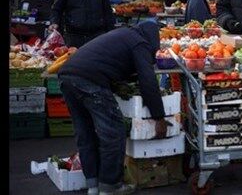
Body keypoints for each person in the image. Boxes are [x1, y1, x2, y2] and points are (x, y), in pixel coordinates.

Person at [58, 21, 169, 195]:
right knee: (113, 132)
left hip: (67, 76)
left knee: (85, 132)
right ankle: (110, 186)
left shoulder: (124, 35)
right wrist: (159, 117)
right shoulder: (140, 42)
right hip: (90, 80)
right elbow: (148, 82)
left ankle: (93, 185)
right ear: (153, 37)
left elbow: (113, 63)